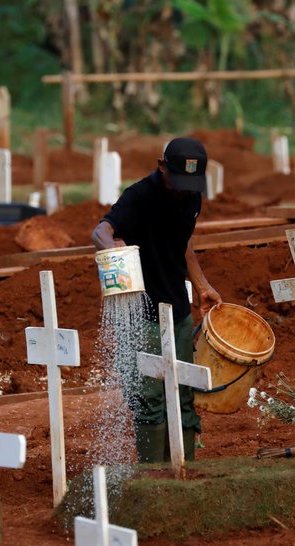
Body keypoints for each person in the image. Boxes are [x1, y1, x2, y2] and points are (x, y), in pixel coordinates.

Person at [91, 137, 221, 464]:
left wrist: (203, 285)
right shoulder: (139, 197)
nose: (183, 190)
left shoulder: (192, 197)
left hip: (177, 310)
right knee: (150, 397)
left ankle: (183, 470)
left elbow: (184, 246)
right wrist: (113, 250)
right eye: (178, 182)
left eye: (190, 184)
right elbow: (100, 232)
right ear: (160, 166)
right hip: (143, 313)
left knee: (185, 392)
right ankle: (153, 476)